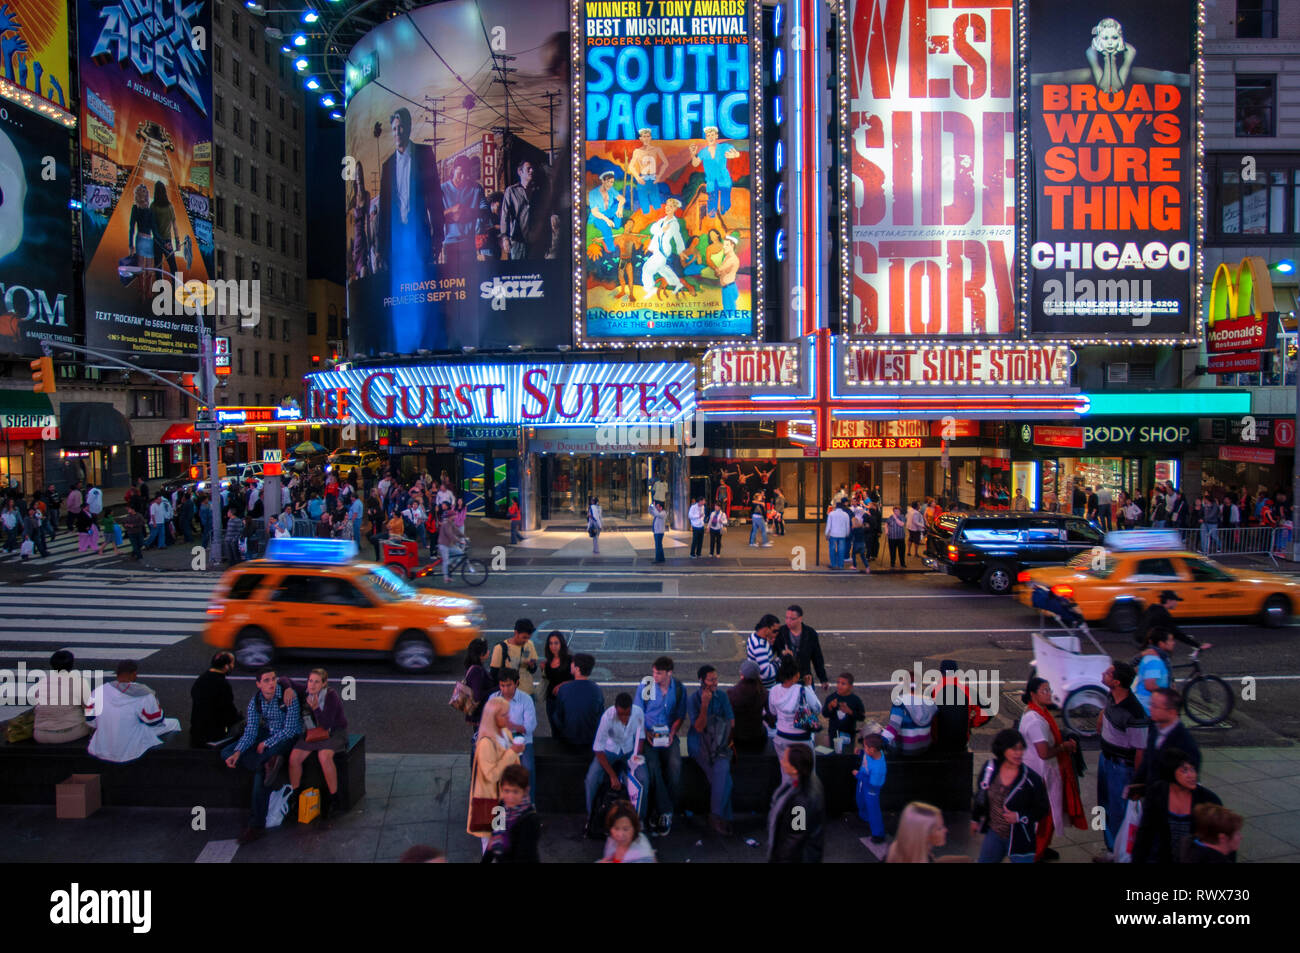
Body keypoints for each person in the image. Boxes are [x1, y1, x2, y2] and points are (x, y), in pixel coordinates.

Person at [223, 668, 303, 845]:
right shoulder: (256, 701)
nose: (271, 683)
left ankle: (256, 825)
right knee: (227, 751)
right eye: (266, 680)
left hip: (287, 737)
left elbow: (290, 729)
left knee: (261, 774)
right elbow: (251, 731)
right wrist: (238, 751)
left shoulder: (287, 696)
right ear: (258, 684)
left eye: (273, 679)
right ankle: (265, 763)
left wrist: (267, 743)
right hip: (266, 734)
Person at [1018, 677, 1085, 861]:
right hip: (1041, 775)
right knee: (1044, 817)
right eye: (1044, 690)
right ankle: (1037, 853)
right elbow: (1044, 753)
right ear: (1033, 695)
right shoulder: (1035, 720)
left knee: (1048, 814)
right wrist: (1064, 747)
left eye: (1049, 690)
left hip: (1044, 773)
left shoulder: (1039, 713)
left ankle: (1043, 848)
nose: (1049, 694)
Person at [1094, 660, 1150, 862]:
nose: (1103, 673)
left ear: (1116, 682)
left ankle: (1121, 855)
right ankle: (1112, 849)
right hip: (1105, 759)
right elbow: (1107, 709)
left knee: (1119, 811)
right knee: (1104, 805)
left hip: (1121, 767)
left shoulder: (1135, 714)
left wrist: (1137, 781)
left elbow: (1140, 751)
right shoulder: (1112, 696)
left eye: (1108, 673)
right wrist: (1101, 717)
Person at [377, 106, 443, 273]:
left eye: (400, 127)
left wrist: (438, 235)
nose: (397, 132)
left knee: (422, 280)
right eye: (394, 129)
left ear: (408, 127)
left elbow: (435, 197)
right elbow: (383, 210)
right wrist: (380, 247)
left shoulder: (424, 153)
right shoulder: (387, 166)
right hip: (396, 237)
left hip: (419, 234)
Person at [972, 728, 1050, 863]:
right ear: (1003, 749)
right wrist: (975, 819)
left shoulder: (1031, 779)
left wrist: (1019, 816)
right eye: (1014, 749)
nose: (1019, 753)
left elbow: (1042, 808)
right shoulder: (989, 768)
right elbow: (981, 795)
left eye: (1021, 749)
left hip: (1020, 839)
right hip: (994, 834)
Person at [282, 668, 349, 826]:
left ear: (324, 684)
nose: (312, 685)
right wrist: (288, 688)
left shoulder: (331, 696)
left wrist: (316, 708)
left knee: (324, 756)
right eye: (310, 681)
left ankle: (334, 798)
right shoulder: (305, 691)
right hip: (313, 733)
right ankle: (296, 797)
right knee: (294, 758)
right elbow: (284, 678)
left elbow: (326, 724)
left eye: (316, 682)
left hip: (334, 733)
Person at [1133, 748, 1222, 864]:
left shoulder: (1209, 800)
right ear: (1170, 772)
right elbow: (1145, 833)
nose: (1192, 775)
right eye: (1184, 770)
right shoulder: (1157, 793)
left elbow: (1222, 841)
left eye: (1192, 769)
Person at [85, 660, 180, 763]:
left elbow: (90, 720)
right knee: (174, 723)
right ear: (134, 674)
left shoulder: (98, 691)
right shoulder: (144, 693)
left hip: (101, 748)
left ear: (117, 673)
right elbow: (155, 721)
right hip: (130, 751)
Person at [635, 656, 686, 835]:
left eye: (659, 673)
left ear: (669, 673)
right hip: (649, 735)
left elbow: (680, 714)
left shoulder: (678, 688)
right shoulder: (646, 686)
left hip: (668, 735)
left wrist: (672, 733)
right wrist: (645, 732)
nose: (654, 676)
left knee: (675, 765)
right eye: (654, 672)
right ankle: (665, 812)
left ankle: (662, 810)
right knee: (653, 766)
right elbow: (637, 713)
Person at [687, 664, 735, 836]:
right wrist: (705, 706)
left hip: (719, 744)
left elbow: (731, 721)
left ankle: (716, 816)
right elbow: (699, 728)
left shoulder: (722, 696)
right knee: (722, 779)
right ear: (702, 681)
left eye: (716, 679)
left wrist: (720, 737)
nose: (715, 682)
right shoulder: (693, 700)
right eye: (711, 679)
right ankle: (723, 817)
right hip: (699, 745)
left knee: (722, 772)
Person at [468, 697, 525, 845]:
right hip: (493, 801)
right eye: (504, 714)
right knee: (494, 844)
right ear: (492, 717)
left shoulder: (505, 731)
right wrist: (513, 752)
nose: (508, 717)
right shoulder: (486, 743)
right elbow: (491, 775)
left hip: (504, 798)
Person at [585, 693, 648, 820]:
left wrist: (637, 756)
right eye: (621, 715)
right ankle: (591, 817)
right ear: (615, 708)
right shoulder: (607, 716)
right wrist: (612, 775)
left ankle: (639, 819)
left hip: (629, 751)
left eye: (627, 714)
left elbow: (640, 736)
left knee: (644, 779)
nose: (624, 718)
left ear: (631, 709)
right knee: (591, 779)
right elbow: (598, 748)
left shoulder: (638, 713)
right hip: (609, 751)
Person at [1130, 687, 1201, 792]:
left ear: (1172, 712)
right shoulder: (1154, 727)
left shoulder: (1185, 744)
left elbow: (1186, 783)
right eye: (1151, 704)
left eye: (1155, 706)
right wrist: (1136, 785)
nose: (1150, 709)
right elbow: (1147, 761)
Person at [767, 744, 824, 863]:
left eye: (785, 759)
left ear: (794, 769)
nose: (782, 762)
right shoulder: (803, 784)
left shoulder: (801, 801)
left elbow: (796, 836)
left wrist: (780, 857)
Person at [483, 764, 541, 863]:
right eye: (507, 791)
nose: (510, 796)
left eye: (515, 791)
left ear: (525, 791)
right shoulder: (501, 808)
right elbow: (493, 841)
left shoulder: (530, 820)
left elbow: (523, 855)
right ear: (501, 789)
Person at [32, 650, 91, 744]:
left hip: (40, 733)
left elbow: (37, 701)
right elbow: (89, 708)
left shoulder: (43, 682)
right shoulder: (79, 682)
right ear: (71, 665)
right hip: (69, 732)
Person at [488, 668, 537, 778]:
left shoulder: (526, 699)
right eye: (502, 685)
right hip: (500, 740)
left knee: (527, 769)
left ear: (516, 683)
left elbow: (531, 726)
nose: (505, 690)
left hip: (523, 740)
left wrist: (513, 727)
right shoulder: (493, 698)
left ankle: (528, 795)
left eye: (509, 685)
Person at [768, 656, 817, 763]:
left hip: (781, 737)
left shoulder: (774, 690)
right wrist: (809, 687)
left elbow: (772, 712)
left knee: (786, 772)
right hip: (801, 738)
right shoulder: (802, 690)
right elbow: (817, 708)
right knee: (807, 773)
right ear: (796, 675)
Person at [553, 653, 604, 752]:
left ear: (577, 668)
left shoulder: (564, 689)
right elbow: (600, 715)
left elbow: (557, 716)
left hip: (569, 739)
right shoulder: (596, 689)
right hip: (590, 739)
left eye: (572, 663)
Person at [189, 652, 241, 748]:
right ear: (226, 666)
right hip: (213, 734)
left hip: (196, 730)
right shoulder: (223, 685)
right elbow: (229, 713)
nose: (233, 666)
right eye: (232, 663)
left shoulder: (201, 679)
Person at [774, 604, 829, 690]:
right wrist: (782, 653)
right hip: (786, 679)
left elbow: (817, 657)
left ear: (800, 618)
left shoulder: (810, 633)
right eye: (786, 618)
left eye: (792, 619)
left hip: (804, 677)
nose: (788, 621)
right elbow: (772, 652)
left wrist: (823, 679)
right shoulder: (781, 632)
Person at [500, 159, 545, 259]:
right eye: (528, 169)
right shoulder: (511, 191)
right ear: (520, 172)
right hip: (518, 240)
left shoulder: (537, 191)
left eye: (532, 169)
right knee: (518, 270)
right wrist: (505, 237)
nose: (531, 171)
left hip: (535, 240)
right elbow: (505, 215)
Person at [1137, 590, 1209, 651]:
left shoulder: (1152, 609)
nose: (1176, 604)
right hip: (1150, 644)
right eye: (1175, 601)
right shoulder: (1163, 614)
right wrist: (1197, 645)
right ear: (1169, 601)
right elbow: (1176, 633)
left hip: (1141, 639)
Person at [886, 801, 952, 863]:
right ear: (924, 835)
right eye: (939, 828)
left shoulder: (899, 846)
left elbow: (934, 860)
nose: (946, 830)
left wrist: (961, 858)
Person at [489, 620, 540, 695]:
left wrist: (532, 665)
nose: (526, 641)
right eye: (524, 637)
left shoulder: (530, 644)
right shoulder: (500, 648)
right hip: (509, 694)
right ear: (516, 633)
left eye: (528, 638)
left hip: (528, 692)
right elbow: (494, 674)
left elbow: (533, 670)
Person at [855, 732, 887, 844]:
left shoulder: (878, 768)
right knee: (860, 800)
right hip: (863, 782)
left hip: (871, 788)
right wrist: (861, 752)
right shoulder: (871, 753)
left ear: (872, 750)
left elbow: (872, 783)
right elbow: (866, 758)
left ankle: (878, 834)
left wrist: (858, 775)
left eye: (865, 747)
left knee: (873, 809)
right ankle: (864, 817)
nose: (864, 748)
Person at [822, 672, 866, 753]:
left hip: (849, 734)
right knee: (834, 755)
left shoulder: (855, 700)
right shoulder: (831, 698)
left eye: (843, 684)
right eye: (838, 682)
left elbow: (862, 717)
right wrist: (830, 706)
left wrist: (849, 711)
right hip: (833, 734)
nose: (839, 686)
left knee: (847, 755)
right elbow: (825, 714)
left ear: (850, 687)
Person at [1134, 629, 1174, 715]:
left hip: (1150, 707)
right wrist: (1169, 694)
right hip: (1149, 708)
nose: (1173, 643)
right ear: (1161, 644)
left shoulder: (1158, 658)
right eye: (1170, 640)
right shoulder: (1154, 660)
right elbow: (1150, 685)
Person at [541, 631, 574, 736]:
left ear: (561, 644)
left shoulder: (570, 660)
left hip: (566, 700)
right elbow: (548, 680)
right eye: (550, 643)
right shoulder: (548, 662)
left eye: (556, 643)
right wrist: (543, 670)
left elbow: (577, 680)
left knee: (566, 727)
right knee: (554, 728)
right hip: (551, 700)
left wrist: (562, 685)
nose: (553, 646)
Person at [461, 638, 493, 735]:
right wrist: (497, 688)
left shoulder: (472, 666)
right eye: (486, 650)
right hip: (480, 716)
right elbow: (477, 695)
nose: (489, 651)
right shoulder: (477, 671)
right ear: (481, 654)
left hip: (479, 715)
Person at [149, 179, 179, 273]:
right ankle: (175, 287)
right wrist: (177, 242)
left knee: (158, 268)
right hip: (168, 241)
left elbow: (152, 227)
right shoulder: (170, 207)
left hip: (157, 242)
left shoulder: (153, 206)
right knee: (173, 268)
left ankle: (159, 288)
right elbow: (174, 225)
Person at [745, 613, 781, 689]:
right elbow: (767, 673)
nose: (776, 634)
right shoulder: (760, 646)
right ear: (766, 629)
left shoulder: (753, 636)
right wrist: (780, 661)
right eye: (774, 631)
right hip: (765, 689)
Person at [824, 498, 850, 569]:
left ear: (836, 507)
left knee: (832, 549)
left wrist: (826, 534)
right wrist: (847, 533)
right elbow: (847, 526)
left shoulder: (831, 514)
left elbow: (828, 525)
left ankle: (833, 564)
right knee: (841, 550)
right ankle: (841, 565)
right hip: (842, 534)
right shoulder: (846, 515)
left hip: (833, 534)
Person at [650, 499, 667, 564]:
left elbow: (657, 514)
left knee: (658, 546)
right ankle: (662, 558)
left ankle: (657, 559)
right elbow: (651, 512)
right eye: (656, 507)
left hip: (659, 532)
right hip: (657, 531)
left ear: (661, 507)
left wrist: (654, 507)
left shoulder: (663, 513)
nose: (656, 508)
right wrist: (651, 507)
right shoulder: (658, 513)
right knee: (659, 545)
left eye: (657, 507)